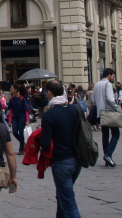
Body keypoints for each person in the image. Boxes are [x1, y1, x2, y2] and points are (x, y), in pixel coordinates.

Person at [40, 80, 82, 218]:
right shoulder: (75, 109)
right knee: (62, 196)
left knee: (69, 203)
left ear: (49, 93)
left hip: (61, 161)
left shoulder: (49, 115)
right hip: (77, 160)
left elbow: (45, 144)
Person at [93, 68, 120, 167]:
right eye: (113, 76)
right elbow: (110, 98)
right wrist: (116, 106)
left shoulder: (97, 84)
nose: (113, 78)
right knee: (116, 134)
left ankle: (107, 157)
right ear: (109, 75)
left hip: (101, 112)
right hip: (109, 112)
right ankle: (108, 155)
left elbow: (94, 99)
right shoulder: (107, 84)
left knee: (105, 135)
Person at [7, 83, 30, 155]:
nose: (10, 90)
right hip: (15, 117)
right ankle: (23, 144)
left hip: (22, 117)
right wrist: (10, 121)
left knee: (21, 133)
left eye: (12, 88)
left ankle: (21, 148)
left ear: (16, 90)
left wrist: (27, 120)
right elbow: (10, 110)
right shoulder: (11, 99)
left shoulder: (22, 98)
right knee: (14, 132)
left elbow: (26, 110)